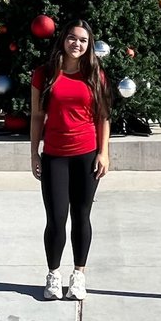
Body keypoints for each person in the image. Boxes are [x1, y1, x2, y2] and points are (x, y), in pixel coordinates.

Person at [30, 19, 111, 301]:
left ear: (89, 45)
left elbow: (103, 117)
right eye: (72, 38)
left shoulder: (94, 74)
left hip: (87, 156)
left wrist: (104, 152)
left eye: (83, 40)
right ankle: (53, 275)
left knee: (81, 217)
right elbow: (38, 116)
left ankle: (79, 275)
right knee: (55, 220)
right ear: (63, 39)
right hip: (54, 156)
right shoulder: (44, 74)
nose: (77, 44)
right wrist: (34, 153)